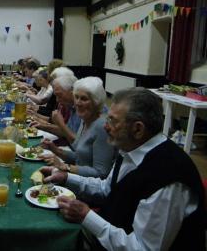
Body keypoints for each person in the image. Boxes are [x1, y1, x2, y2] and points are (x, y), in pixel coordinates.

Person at [42, 87, 205, 250]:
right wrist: (66, 177)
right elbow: (107, 188)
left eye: (112, 121)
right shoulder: (130, 147)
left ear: (138, 129)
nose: (105, 127)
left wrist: (86, 216)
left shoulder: (168, 176)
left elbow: (143, 248)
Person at [41, 77, 116, 178]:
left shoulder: (102, 127)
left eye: (84, 99)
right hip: (77, 180)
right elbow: (80, 156)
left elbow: (101, 173)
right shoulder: (85, 119)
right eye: (76, 97)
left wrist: (66, 167)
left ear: (96, 102)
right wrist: (55, 150)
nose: (78, 103)